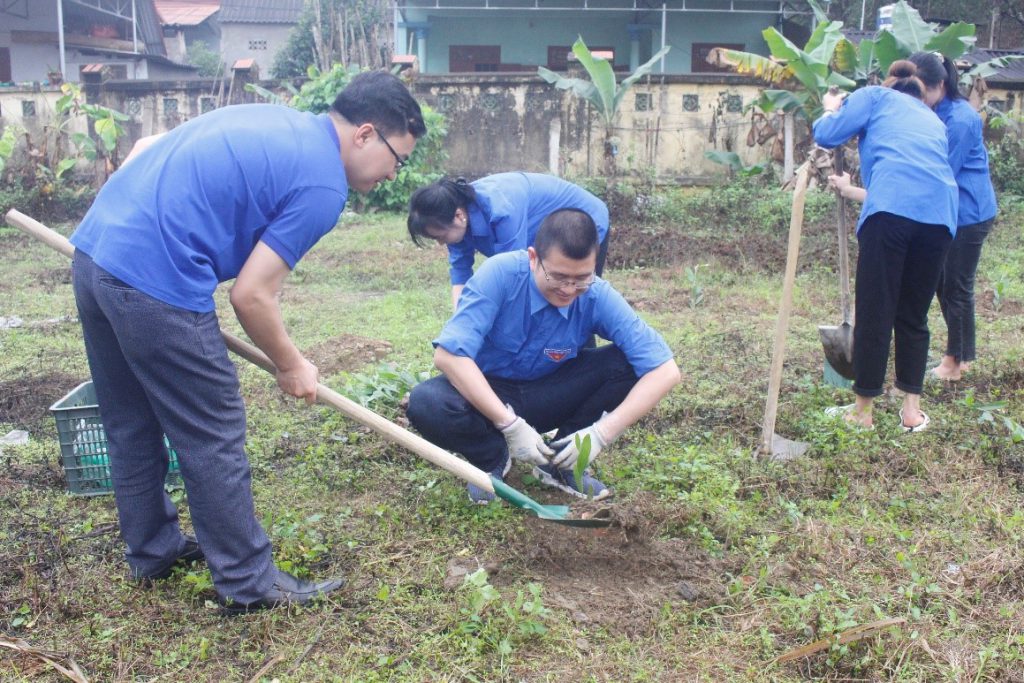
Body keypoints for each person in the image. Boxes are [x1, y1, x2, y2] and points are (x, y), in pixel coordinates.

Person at [69, 71, 426, 613]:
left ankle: (153, 551)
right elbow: (252, 296)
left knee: (129, 422)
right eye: (397, 159)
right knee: (212, 432)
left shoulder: (273, 119)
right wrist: (292, 364)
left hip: (95, 254)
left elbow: (145, 147)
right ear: (365, 134)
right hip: (154, 282)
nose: (393, 176)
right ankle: (249, 583)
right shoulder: (323, 183)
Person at [405, 209, 679, 504]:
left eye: (582, 278)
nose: (569, 289)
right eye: (558, 276)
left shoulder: (597, 295)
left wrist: (600, 433)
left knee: (628, 365)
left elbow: (665, 370)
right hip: (489, 395)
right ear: (534, 257)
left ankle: (563, 461)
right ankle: (492, 458)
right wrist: (510, 425)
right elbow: (449, 357)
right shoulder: (500, 275)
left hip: (552, 391)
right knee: (426, 402)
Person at [831, 53, 998, 384]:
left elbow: (931, 179)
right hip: (936, 212)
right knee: (936, 286)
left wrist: (854, 193)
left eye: (921, 89)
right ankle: (954, 356)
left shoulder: (960, 121)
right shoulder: (930, 112)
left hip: (966, 212)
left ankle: (957, 360)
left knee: (956, 287)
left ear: (938, 85)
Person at [814, 60, 958, 432]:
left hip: (891, 213)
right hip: (940, 219)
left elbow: (828, 134)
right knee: (913, 314)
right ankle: (911, 413)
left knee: (876, 310)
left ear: (889, 85)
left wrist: (831, 109)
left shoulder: (874, 97)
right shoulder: (933, 120)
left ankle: (863, 413)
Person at [407, 173, 611, 310]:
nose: (441, 244)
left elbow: (513, 275)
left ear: (459, 216)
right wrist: (461, 320)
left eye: (440, 237)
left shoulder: (501, 211)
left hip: (584, 221)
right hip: (541, 236)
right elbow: (461, 274)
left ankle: (580, 359)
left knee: (571, 300)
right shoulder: (456, 218)